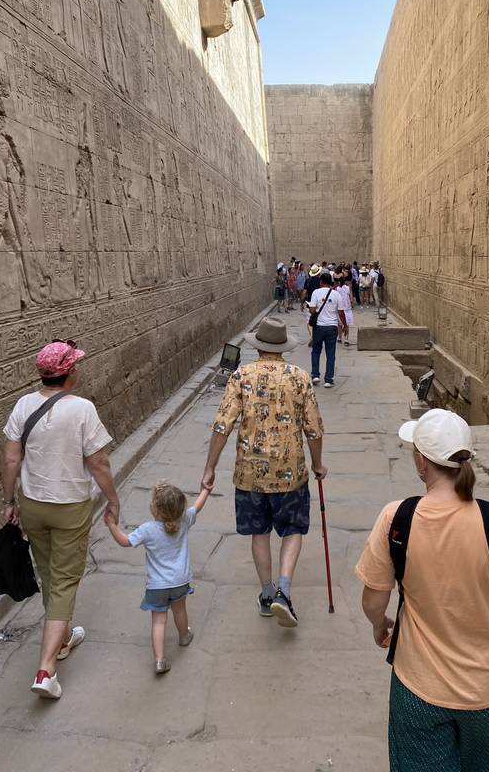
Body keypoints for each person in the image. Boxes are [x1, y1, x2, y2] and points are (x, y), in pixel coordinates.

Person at [356, 409, 489, 772]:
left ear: (421, 462)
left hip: (419, 686)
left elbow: (373, 599)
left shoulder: (396, 519)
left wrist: (379, 625)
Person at [1, 340, 120, 699]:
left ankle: (64, 637)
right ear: (68, 373)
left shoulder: (23, 405)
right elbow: (98, 463)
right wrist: (113, 499)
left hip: (33, 503)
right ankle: (45, 669)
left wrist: (8, 501)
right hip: (69, 505)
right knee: (66, 580)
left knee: (51, 571)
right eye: (76, 366)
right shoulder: (82, 409)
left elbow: (10, 461)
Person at [201, 317, 327, 628]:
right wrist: (318, 464)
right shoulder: (299, 378)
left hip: (250, 475)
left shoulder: (241, 376)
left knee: (260, 533)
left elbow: (222, 425)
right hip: (291, 471)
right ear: (283, 348)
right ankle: (285, 590)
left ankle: (268, 594)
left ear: (258, 346)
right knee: (293, 530)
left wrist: (210, 467)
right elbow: (314, 429)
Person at [105, 481, 210, 674]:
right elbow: (198, 506)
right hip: (180, 581)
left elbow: (125, 541)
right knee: (179, 611)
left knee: (158, 621)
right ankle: (184, 636)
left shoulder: (147, 529)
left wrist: (112, 526)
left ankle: (160, 660)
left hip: (157, 586)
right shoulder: (184, 520)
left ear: (155, 508)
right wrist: (206, 489)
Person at [308, 273, 348, 388]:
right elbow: (341, 312)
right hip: (332, 327)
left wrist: (315, 310)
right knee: (330, 353)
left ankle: (315, 375)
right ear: (331, 282)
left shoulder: (316, 292)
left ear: (321, 281)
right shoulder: (336, 294)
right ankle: (328, 379)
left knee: (316, 351)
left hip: (319, 327)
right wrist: (345, 325)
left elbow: (312, 310)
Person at [336, 274, 354, 347]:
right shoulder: (347, 288)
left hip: (339, 308)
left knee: (339, 324)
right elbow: (351, 297)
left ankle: (339, 338)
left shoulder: (337, 289)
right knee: (346, 324)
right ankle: (346, 339)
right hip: (347, 308)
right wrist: (352, 303)